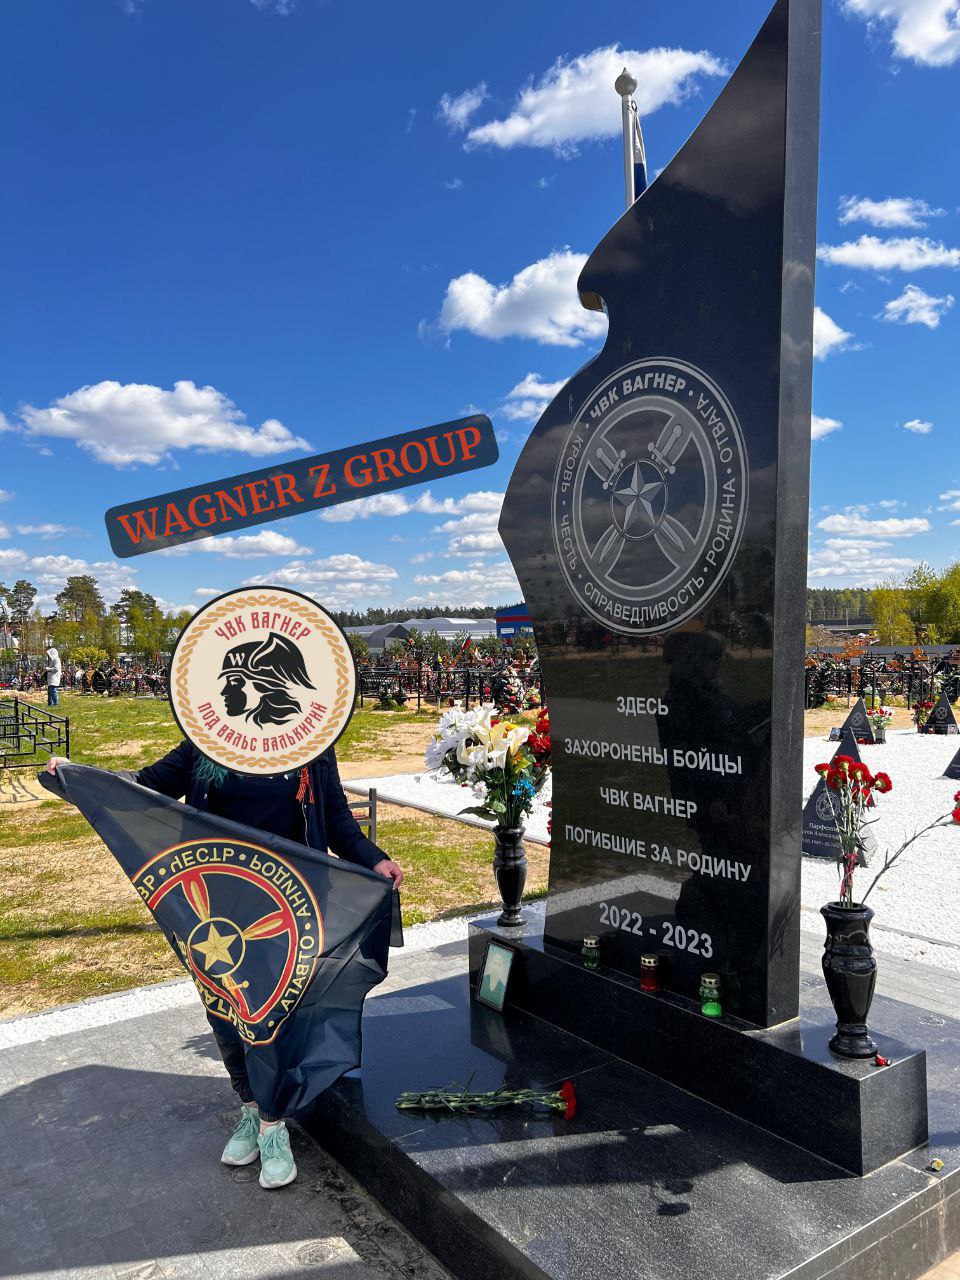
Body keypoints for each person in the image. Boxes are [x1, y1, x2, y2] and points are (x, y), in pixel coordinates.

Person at [47, 739, 403, 1190]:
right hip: (213, 907)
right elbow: (144, 789)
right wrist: (79, 778)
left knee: (270, 1012)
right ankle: (250, 1109)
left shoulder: (310, 745)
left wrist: (374, 859)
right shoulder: (204, 740)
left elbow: (334, 818)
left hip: (288, 908)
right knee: (224, 1008)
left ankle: (273, 1126)